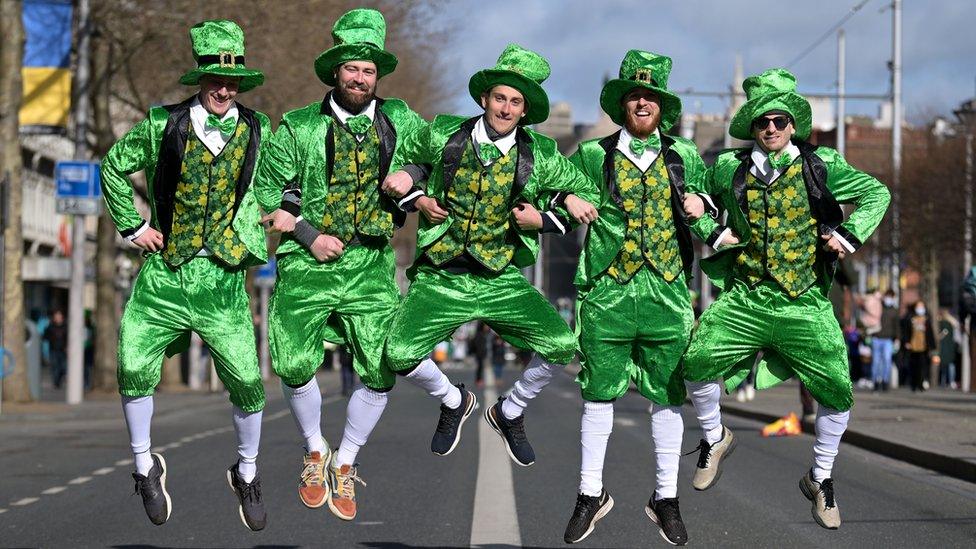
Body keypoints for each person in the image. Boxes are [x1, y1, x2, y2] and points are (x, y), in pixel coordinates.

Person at [682, 68, 890, 530]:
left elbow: (876, 193)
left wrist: (848, 236)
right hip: (749, 297)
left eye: (779, 120)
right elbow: (693, 198)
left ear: (793, 123)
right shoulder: (727, 168)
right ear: (752, 128)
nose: (771, 128)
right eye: (762, 122)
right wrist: (710, 229)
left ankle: (820, 477)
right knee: (695, 363)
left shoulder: (822, 165)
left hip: (804, 303)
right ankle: (715, 438)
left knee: (837, 390)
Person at [380, 43, 600, 468]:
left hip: (499, 277)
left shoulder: (540, 154)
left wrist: (553, 213)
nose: (505, 107)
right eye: (500, 97)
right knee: (398, 353)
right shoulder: (444, 132)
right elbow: (410, 162)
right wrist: (417, 193)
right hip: (441, 275)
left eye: (515, 102)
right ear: (484, 99)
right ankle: (453, 401)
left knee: (560, 344)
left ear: (524, 111)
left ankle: (509, 411)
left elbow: (587, 193)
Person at [254, 8, 427, 521]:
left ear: (379, 75)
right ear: (335, 72)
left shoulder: (402, 120)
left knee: (380, 366)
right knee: (290, 361)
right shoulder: (299, 126)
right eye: (351, 68)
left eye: (369, 70)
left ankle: (346, 461)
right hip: (309, 263)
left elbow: (443, 151)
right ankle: (314, 449)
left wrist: (412, 171)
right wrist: (307, 235)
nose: (360, 78)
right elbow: (269, 186)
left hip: (373, 260)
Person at [100, 20, 271, 531]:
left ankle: (247, 472)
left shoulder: (258, 129)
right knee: (131, 361)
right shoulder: (160, 124)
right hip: (166, 271)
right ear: (199, 79)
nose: (224, 88)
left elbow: (283, 180)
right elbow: (113, 163)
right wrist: (133, 226)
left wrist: (283, 218)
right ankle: (143, 465)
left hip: (222, 277)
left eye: (233, 80)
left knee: (246, 379)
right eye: (216, 79)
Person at [559, 50, 718, 546]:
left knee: (667, 394)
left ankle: (665, 497)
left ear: (663, 106)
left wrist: (702, 210)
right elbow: (554, 189)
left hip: (667, 290)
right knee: (597, 391)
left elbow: (711, 214)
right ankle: (590, 494)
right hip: (609, 287)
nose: (642, 102)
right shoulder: (591, 154)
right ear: (622, 104)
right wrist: (565, 199)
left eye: (651, 96)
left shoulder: (685, 156)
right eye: (634, 96)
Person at [901, 301, 937, 392]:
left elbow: (930, 333)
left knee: (923, 366)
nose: (920, 308)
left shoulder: (926, 319)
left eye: (922, 306)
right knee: (913, 366)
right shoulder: (910, 318)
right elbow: (906, 331)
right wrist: (906, 342)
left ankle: (921, 384)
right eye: (918, 306)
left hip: (924, 347)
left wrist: (933, 346)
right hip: (913, 347)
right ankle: (913, 384)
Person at [871, 290, 899, 391]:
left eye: (891, 297)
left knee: (887, 361)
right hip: (876, 337)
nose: (889, 299)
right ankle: (875, 382)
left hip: (888, 339)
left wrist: (897, 339)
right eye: (887, 296)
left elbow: (897, 326)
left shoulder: (894, 310)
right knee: (876, 362)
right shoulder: (878, 307)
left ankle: (885, 382)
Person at [43, 309, 67, 389]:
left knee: (63, 367)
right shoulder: (50, 326)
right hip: (53, 349)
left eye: (59, 316)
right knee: (54, 366)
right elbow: (45, 337)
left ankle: (59, 380)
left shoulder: (66, 326)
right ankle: (56, 382)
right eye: (56, 316)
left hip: (63, 350)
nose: (58, 318)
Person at [938, 308, 960, 389]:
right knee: (948, 365)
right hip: (947, 348)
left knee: (947, 366)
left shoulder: (948, 323)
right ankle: (948, 381)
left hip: (947, 348)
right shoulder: (945, 324)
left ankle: (945, 381)